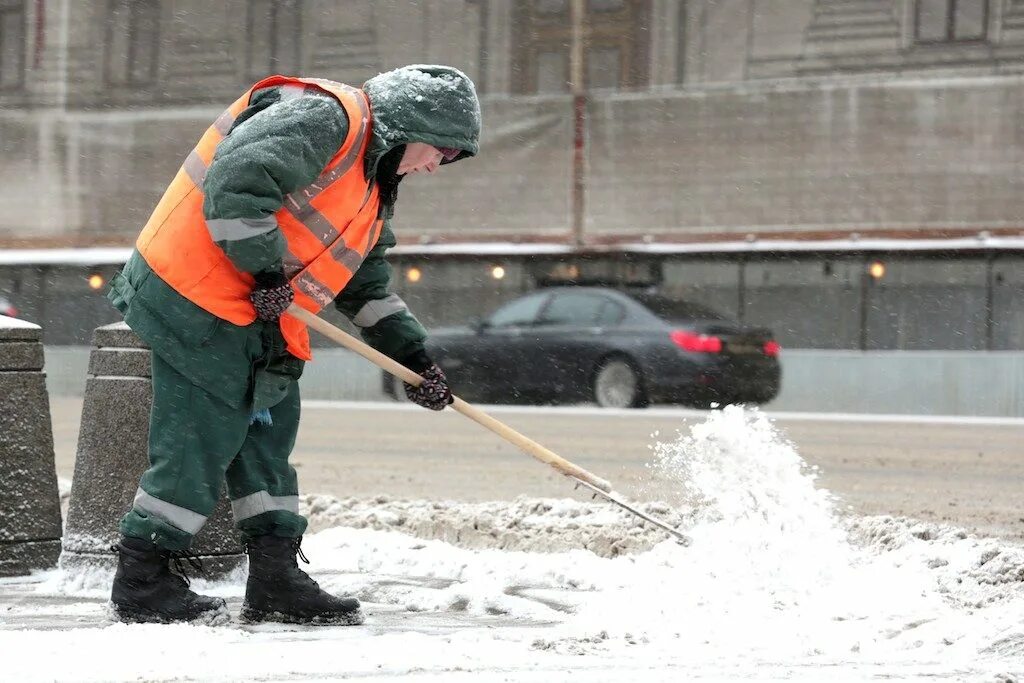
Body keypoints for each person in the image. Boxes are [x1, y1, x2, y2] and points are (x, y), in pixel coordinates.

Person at [106, 65, 480, 625]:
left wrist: (413, 359)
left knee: (269, 436)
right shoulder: (327, 118)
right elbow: (235, 183)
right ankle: (141, 578)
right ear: (412, 124)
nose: (436, 166)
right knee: (199, 439)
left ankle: (275, 578)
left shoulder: (372, 184)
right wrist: (266, 272)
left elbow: (363, 281)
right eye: (441, 151)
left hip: (263, 311)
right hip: (199, 294)